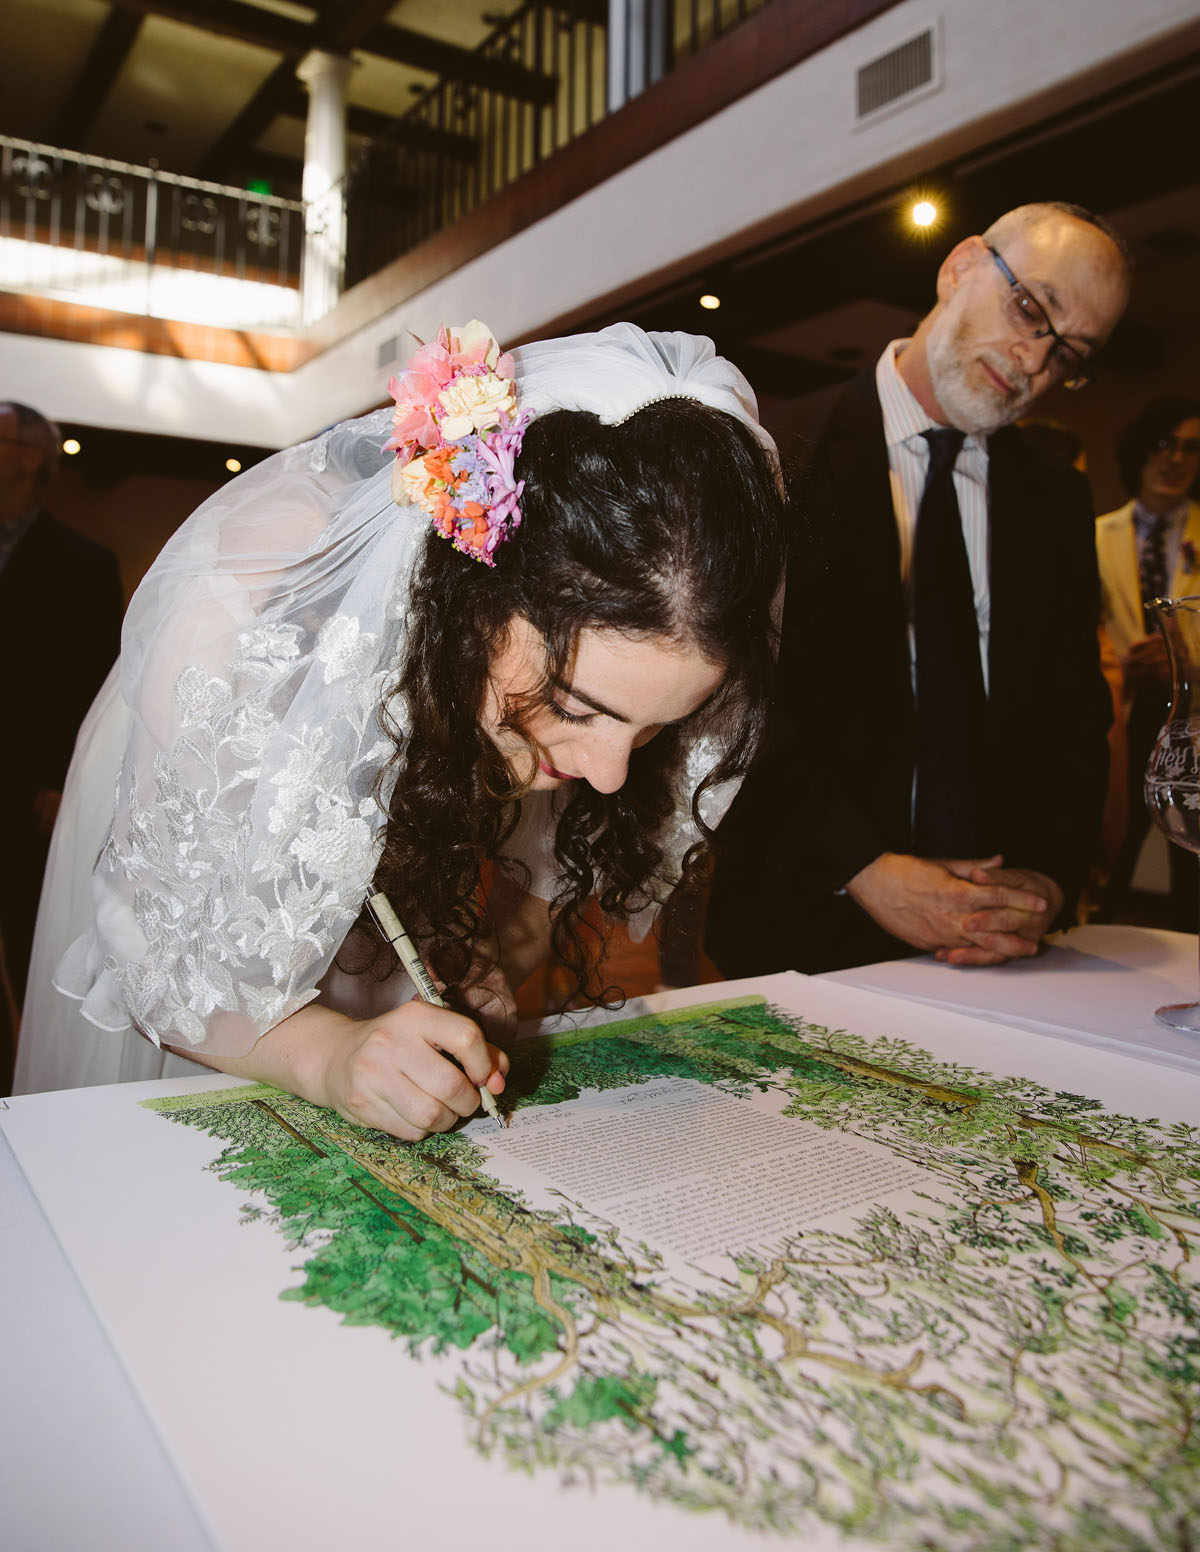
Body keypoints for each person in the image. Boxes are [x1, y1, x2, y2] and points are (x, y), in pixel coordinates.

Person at [15, 323, 786, 1142]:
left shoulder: (581, 671)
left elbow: (532, 883)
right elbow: (155, 960)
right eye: (576, 708)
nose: (606, 774)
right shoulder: (234, 626)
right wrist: (328, 1056)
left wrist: (483, 952)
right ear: (475, 598)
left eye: (654, 730)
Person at [706, 201, 1131, 978]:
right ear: (960, 264)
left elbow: (1073, 719)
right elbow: (731, 697)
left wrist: (1048, 878)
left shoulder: (1056, 497)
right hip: (803, 929)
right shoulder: (773, 451)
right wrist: (864, 868)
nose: (1036, 361)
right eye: (1031, 308)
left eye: (1069, 354)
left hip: (997, 944)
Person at [0, 403, 123, 1062]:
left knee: (29, 934)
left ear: (30, 460)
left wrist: (58, 783)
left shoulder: (82, 563)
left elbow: (89, 686)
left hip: (25, 791)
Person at [1095, 396, 1200, 927]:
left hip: (1193, 720)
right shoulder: (1094, 534)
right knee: (1111, 843)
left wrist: (1188, 661)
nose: (1175, 459)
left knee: (1192, 852)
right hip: (1119, 715)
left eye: (1190, 448)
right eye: (1163, 445)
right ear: (1139, 453)